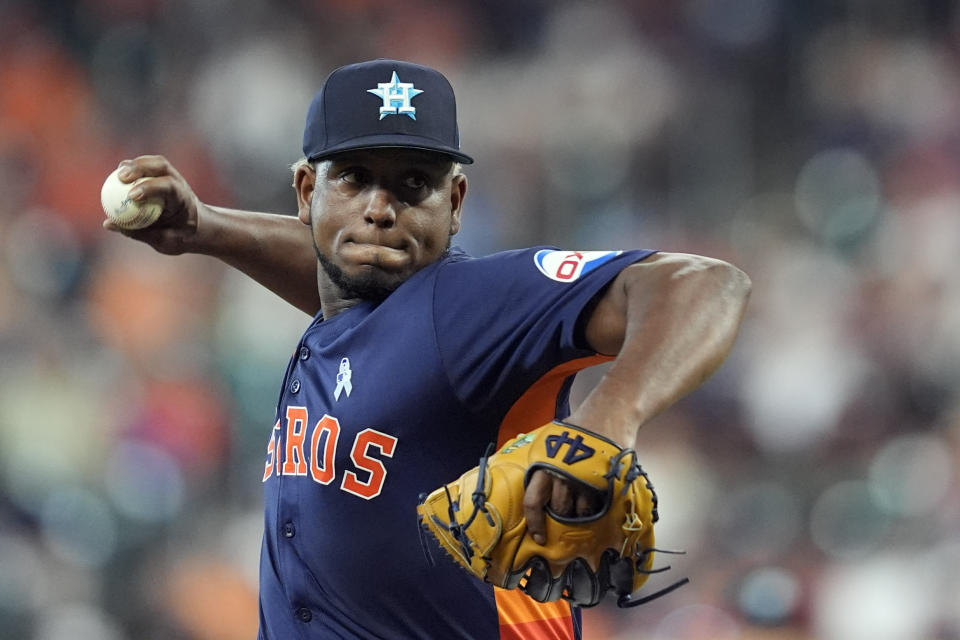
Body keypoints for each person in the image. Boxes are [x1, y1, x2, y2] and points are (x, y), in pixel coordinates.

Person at [106, 59, 751, 640]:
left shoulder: (469, 306)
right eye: (354, 178)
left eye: (413, 184)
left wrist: (609, 420)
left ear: (457, 202)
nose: (380, 209)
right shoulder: (368, 312)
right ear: (307, 191)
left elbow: (704, 285)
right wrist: (205, 227)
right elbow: (346, 280)